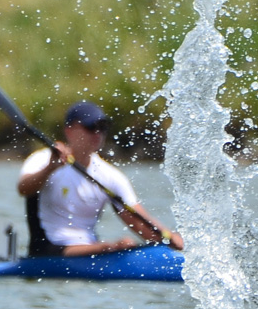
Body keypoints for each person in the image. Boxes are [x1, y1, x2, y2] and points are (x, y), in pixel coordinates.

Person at [16, 100, 183, 256]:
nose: (98, 133)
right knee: (115, 246)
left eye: (102, 127)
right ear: (69, 130)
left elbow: (139, 221)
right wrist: (51, 168)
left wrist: (168, 238)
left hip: (92, 250)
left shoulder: (110, 175)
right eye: (91, 127)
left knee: (126, 246)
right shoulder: (42, 159)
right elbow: (23, 189)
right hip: (46, 251)